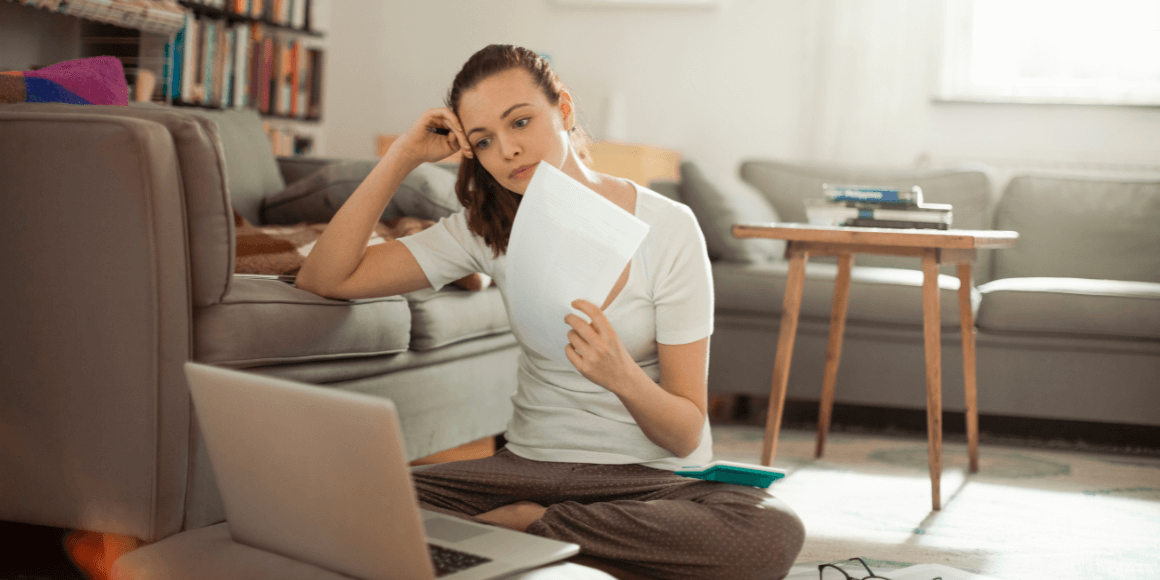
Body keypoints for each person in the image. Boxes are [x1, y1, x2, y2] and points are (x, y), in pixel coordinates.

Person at [296, 44, 804, 580]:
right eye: (484, 141)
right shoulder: (485, 228)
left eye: (521, 122)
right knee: (347, 500)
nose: (508, 150)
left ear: (563, 109)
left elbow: (683, 433)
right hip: (524, 470)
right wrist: (401, 155)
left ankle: (525, 533)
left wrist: (622, 377)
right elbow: (326, 277)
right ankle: (563, 548)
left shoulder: (669, 228)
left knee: (769, 530)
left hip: (648, 482)